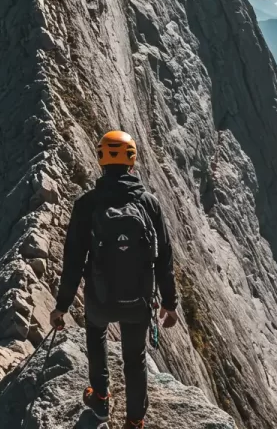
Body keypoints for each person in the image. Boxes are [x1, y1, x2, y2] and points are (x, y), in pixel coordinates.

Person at [49, 130, 179, 429]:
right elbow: (164, 258)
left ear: (101, 160)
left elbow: (73, 260)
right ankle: (134, 421)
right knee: (135, 358)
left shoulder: (87, 204)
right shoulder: (150, 204)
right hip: (139, 298)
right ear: (132, 162)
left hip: (100, 298)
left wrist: (62, 306)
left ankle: (101, 400)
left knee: (96, 336)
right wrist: (170, 304)